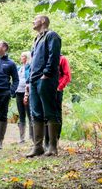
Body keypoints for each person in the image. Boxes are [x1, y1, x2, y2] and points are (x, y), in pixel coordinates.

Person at [25, 15, 62, 157]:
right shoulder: (36, 39)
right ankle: (38, 147)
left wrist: (46, 73)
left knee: (50, 111)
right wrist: (29, 81)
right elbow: (33, 61)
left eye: (35, 19)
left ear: (43, 21)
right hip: (34, 80)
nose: (32, 21)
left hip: (45, 79)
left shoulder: (52, 36)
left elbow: (54, 56)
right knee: (36, 113)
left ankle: (52, 147)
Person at [44, 54, 71, 151]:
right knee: (45, 114)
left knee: (56, 114)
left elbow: (67, 75)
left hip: (57, 90)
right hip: (45, 89)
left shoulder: (62, 58)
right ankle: (46, 141)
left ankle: (55, 140)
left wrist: (59, 87)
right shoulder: (45, 58)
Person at [15, 51, 32, 143]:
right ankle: (22, 138)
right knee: (21, 114)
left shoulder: (30, 67)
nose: (21, 58)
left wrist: (27, 92)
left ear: (27, 58)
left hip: (28, 93)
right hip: (18, 92)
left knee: (30, 114)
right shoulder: (19, 68)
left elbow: (29, 79)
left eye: (23, 56)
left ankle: (31, 137)